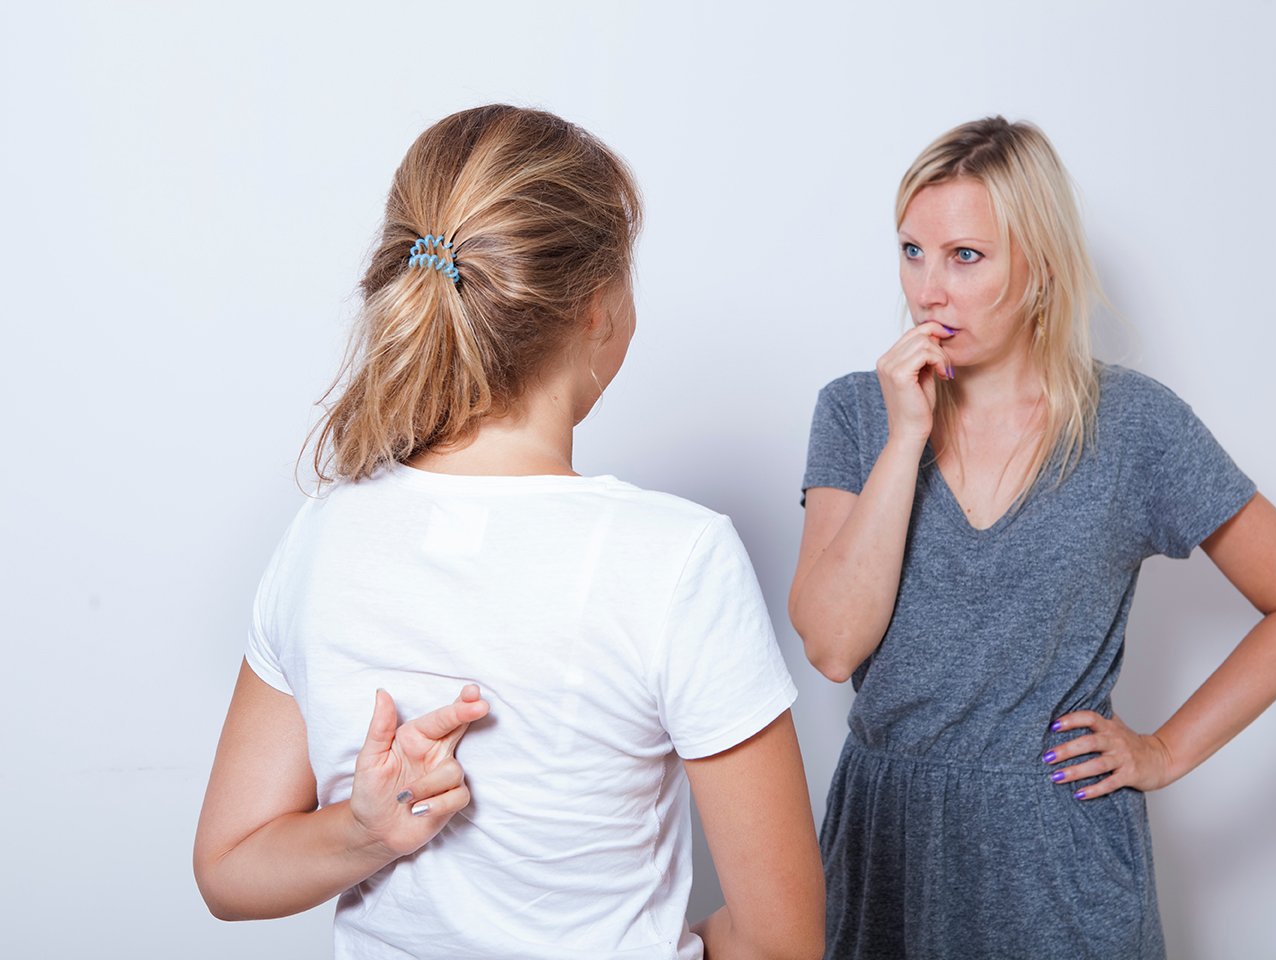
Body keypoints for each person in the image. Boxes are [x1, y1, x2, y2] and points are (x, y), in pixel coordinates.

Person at [194, 105, 825, 960]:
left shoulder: (322, 534)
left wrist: (367, 832)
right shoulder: (678, 559)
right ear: (598, 306)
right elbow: (779, 941)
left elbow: (229, 869)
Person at [788, 117, 1276, 959]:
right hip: (889, 836)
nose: (928, 290)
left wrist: (1164, 749)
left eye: (965, 256)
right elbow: (832, 647)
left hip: (1053, 853)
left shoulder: (1135, 428)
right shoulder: (857, 412)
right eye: (912, 251)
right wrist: (906, 439)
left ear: (1040, 269)